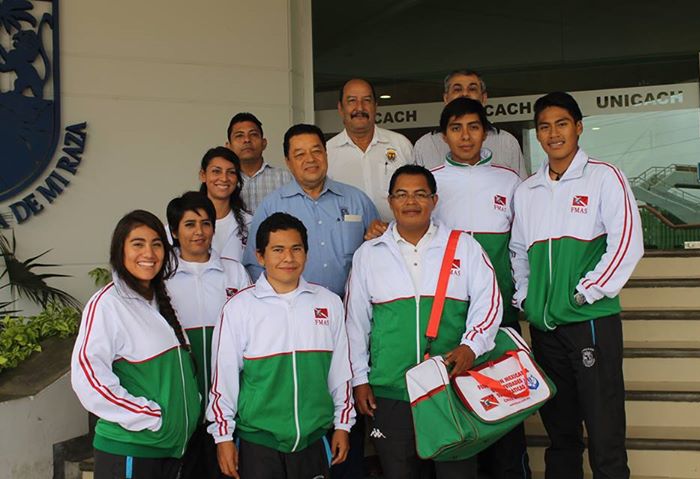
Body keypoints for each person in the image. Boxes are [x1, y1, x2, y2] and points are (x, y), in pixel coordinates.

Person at [510, 92, 643, 479]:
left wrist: (588, 291)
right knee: (561, 430)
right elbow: (518, 252)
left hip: (590, 321)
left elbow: (627, 242)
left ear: (579, 127)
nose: (553, 133)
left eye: (562, 124)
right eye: (544, 126)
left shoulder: (604, 176)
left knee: (604, 429)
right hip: (546, 328)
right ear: (537, 134)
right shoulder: (527, 190)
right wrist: (526, 298)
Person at [346, 164, 503, 479]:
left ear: (434, 199)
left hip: (451, 386)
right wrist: (359, 379)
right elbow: (356, 322)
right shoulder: (369, 254)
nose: (411, 202)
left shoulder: (464, 246)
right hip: (390, 390)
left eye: (420, 194)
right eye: (402, 195)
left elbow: (490, 302)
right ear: (390, 201)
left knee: (456, 473)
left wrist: (471, 346)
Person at [207, 212, 355, 479]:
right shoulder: (239, 308)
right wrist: (223, 437)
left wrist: (343, 424)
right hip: (259, 444)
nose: (289, 258)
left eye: (296, 249)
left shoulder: (328, 302)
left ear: (306, 253)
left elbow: (341, 371)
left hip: (314, 439)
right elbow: (223, 380)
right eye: (278, 250)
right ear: (261, 256)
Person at [431, 97, 530, 478]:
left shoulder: (509, 181)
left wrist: (520, 296)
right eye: (456, 128)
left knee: (506, 400)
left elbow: (520, 247)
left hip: (501, 313)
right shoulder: (431, 180)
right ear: (444, 135)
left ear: (485, 131)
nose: (465, 135)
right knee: (458, 401)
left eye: (473, 127)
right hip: (450, 315)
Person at [71, 210, 201, 479]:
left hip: (169, 450)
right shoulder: (107, 304)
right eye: (138, 244)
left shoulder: (161, 300)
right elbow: (88, 377)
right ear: (120, 250)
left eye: (156, 244)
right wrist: (151, 417)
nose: (149, 253)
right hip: (132, 450)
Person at [165, 191, 252, 478]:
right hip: (183, 405)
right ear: (175, 232)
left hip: (230, 405)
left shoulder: (234, 272)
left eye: (206, 223)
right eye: (189, 224)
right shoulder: (162, 276)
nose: (199, 232)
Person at [243, 123, 378, 297]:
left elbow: (379, 254)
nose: (310, 159)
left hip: (352, 310)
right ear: (288, 162)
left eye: (316, 151)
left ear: (326, 154)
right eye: (300, 154)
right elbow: (254, 265)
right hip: (295, 311)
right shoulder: (271, 206)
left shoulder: (357, 201)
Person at [326, 78, 414, 220]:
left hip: (396, 238)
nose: (359, 108)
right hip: (349, 239)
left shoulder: (400, 145)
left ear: (375, 106)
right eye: (352, 101)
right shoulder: (327, 153)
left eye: (366, 100)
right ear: (340, 109)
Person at [414, 69, 528, 178]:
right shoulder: (425, 145)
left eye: (472, 89)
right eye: (457, 89)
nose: (465, 94)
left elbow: (521, 191)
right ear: (446, 98)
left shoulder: (507, 142)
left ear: (484, 98)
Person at [225, 112, 292, 214]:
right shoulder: (223, 181)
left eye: (253, 134)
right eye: (239, 136)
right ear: (228, 146)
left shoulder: (286, 178)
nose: (247, 140)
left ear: (264, 143)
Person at [198, 146, 252, 262]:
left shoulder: (250, 223)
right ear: (203, 175)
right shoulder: (183, 222)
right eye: (216, 171)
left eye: (231, 172)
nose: (224, 178)